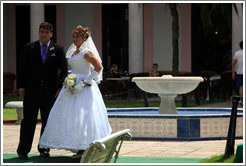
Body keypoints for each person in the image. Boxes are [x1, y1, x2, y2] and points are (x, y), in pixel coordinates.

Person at [39, 25, 112, 159]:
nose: (75, 39)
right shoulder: (73, 52)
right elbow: (74, 68)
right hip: (72, 86)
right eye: (73, 36)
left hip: (84, 88)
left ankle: (84, 147)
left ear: (84, 38)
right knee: (70, 117)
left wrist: (86, 81)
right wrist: (70, 79)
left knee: (83, 117)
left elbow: (98, 67)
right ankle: (78, 145)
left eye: (78, 36)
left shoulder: (86, 52)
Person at [17, 22, 68, 160]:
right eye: (42, 31)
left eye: (46, 32)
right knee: (28, 121)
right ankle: (23, 150)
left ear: (51, 34)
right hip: (31, 91)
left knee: (47, 121)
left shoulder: (57, 49)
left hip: (50, 92)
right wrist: (21, 88)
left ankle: (44, 148)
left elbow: (64, 69)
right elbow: (22, 69)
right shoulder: (29, 48)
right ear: (39, 32)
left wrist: (60, 88)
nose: (44, 34)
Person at [232, 41, 243, 106]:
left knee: (241, 87)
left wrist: (233, 72)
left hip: (239, 72)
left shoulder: (237, 53)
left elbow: (234, 63)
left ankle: (242, 101)